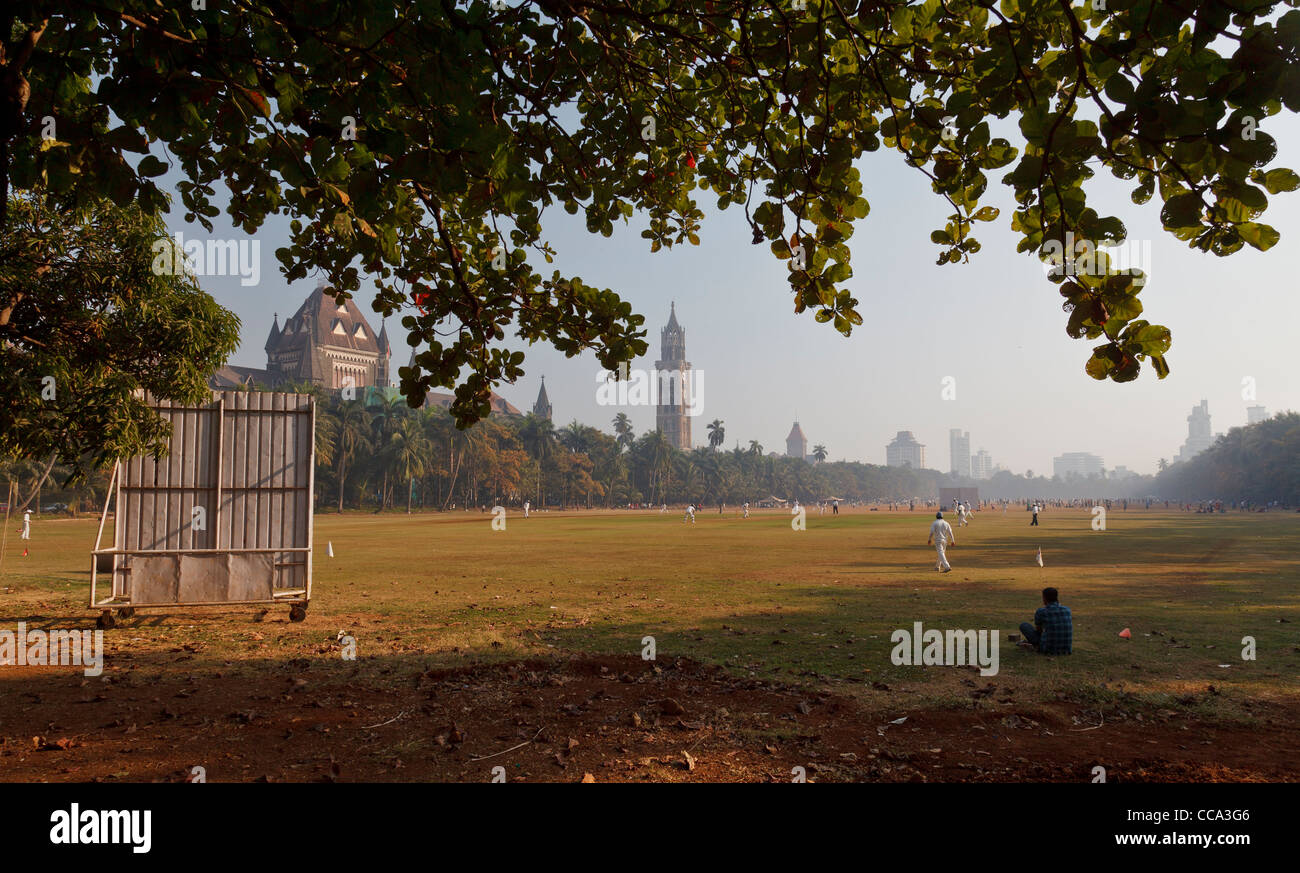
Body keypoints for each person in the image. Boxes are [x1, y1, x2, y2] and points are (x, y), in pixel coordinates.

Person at [1019, 587, 1073, 655]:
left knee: (1024, 625)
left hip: (1048, 649)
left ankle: (1037, 646)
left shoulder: (1041, 611)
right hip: (1066, 649)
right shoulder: (1067, 610)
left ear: (1044, 598)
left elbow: (1039, 631)